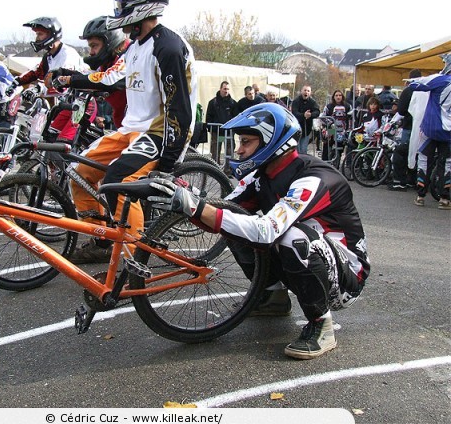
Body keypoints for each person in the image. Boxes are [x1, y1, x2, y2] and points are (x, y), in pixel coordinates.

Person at [147, 103, 370, 359]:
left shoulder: (314, 177)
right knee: (236, 222)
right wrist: (185, 197)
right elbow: (222, 211)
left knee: (290, 237)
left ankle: (322, 325)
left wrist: (197, 208)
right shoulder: (260, 175)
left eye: (246, 142)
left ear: (271, 141)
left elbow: (268, 230)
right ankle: (272, 298)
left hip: (346, 278)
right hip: (316, 259)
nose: (239, 150)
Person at [69, 0, 197, 265]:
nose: (117, 11)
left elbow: (179, 108)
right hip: (131, 128)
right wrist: (71, 78)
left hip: (161, 129)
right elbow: (111, 77)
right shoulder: (136, 45)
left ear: (139, 8)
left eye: (120, 5)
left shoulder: (168, 47)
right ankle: (103, 241)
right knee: (79, 173)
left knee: (118, 182)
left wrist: (168, 160)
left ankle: (133, 259)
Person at [47, 15, 129, 131]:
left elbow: (109, 79)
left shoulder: (128, 56)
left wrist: (68, 80)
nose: (91, 52)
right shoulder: (108, 62)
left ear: (110, 42)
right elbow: (89, 75)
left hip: (145, 130)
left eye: (94, 46)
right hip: (125, 127)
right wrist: (63, 73)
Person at [15, 17, 88, 141]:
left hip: (81, 102)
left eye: (40, 34)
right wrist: (16, 81)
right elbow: (35, 72)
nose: (37, 38)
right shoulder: (49, 56)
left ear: (51, 35)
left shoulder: (67, 54)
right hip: (65, 105)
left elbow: (62, 85)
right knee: (49, 138)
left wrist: (38, 88)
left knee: (62, 143)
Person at [409, 56, 451, 210]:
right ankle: (445, 199)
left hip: (432, 126)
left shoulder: (441, 79)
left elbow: (414, 85)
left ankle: (420, 195)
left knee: (424, 159)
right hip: (449, 132)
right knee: (447, 163)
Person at [387, 69, 421, 191]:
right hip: (424, 127)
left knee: (403, 152)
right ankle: (414, 180)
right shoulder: (426, 89)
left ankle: (400, 181)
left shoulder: (409, 90)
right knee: (419, 154)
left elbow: (401, 110)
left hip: (409, 125)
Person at [206, 81, 238, 172]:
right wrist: (211, 128)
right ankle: (215, 170)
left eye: (227, 89)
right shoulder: (213, 103)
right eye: (224, 89)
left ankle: (228, 170)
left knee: (229, 152)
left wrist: (233, 129)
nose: (226, 91)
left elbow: (236, 117)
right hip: (217, 133)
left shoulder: (233, 103)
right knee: (215, 151)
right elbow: (208, 117)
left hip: (229, 133)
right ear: (220, 89)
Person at [320, 90, 351, 166]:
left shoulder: (347, 106)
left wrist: (349, 129)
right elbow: (323, 117)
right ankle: (324, 163)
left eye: (340, 95)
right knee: (327, 145)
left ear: (342, 96)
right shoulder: (328, 106)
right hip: (331, 129)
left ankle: (337, 163)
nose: (338, 97)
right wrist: (330, 124)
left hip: (342, 130)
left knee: (340, 148)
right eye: (336, 95)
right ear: (333, 97)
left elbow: (351, 118)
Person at [290, 85, 320, 154]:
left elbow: (317, 111)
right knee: (297, 149)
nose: (306, 92)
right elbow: (294, 112)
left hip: (307, 129)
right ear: (301, 91)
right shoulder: (296, 101)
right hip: (296, 129)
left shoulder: (312, 102)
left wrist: (310, 115)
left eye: (308, 91)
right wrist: (303, 115)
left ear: (310, 93)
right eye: (305, 90)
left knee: (303, 149)